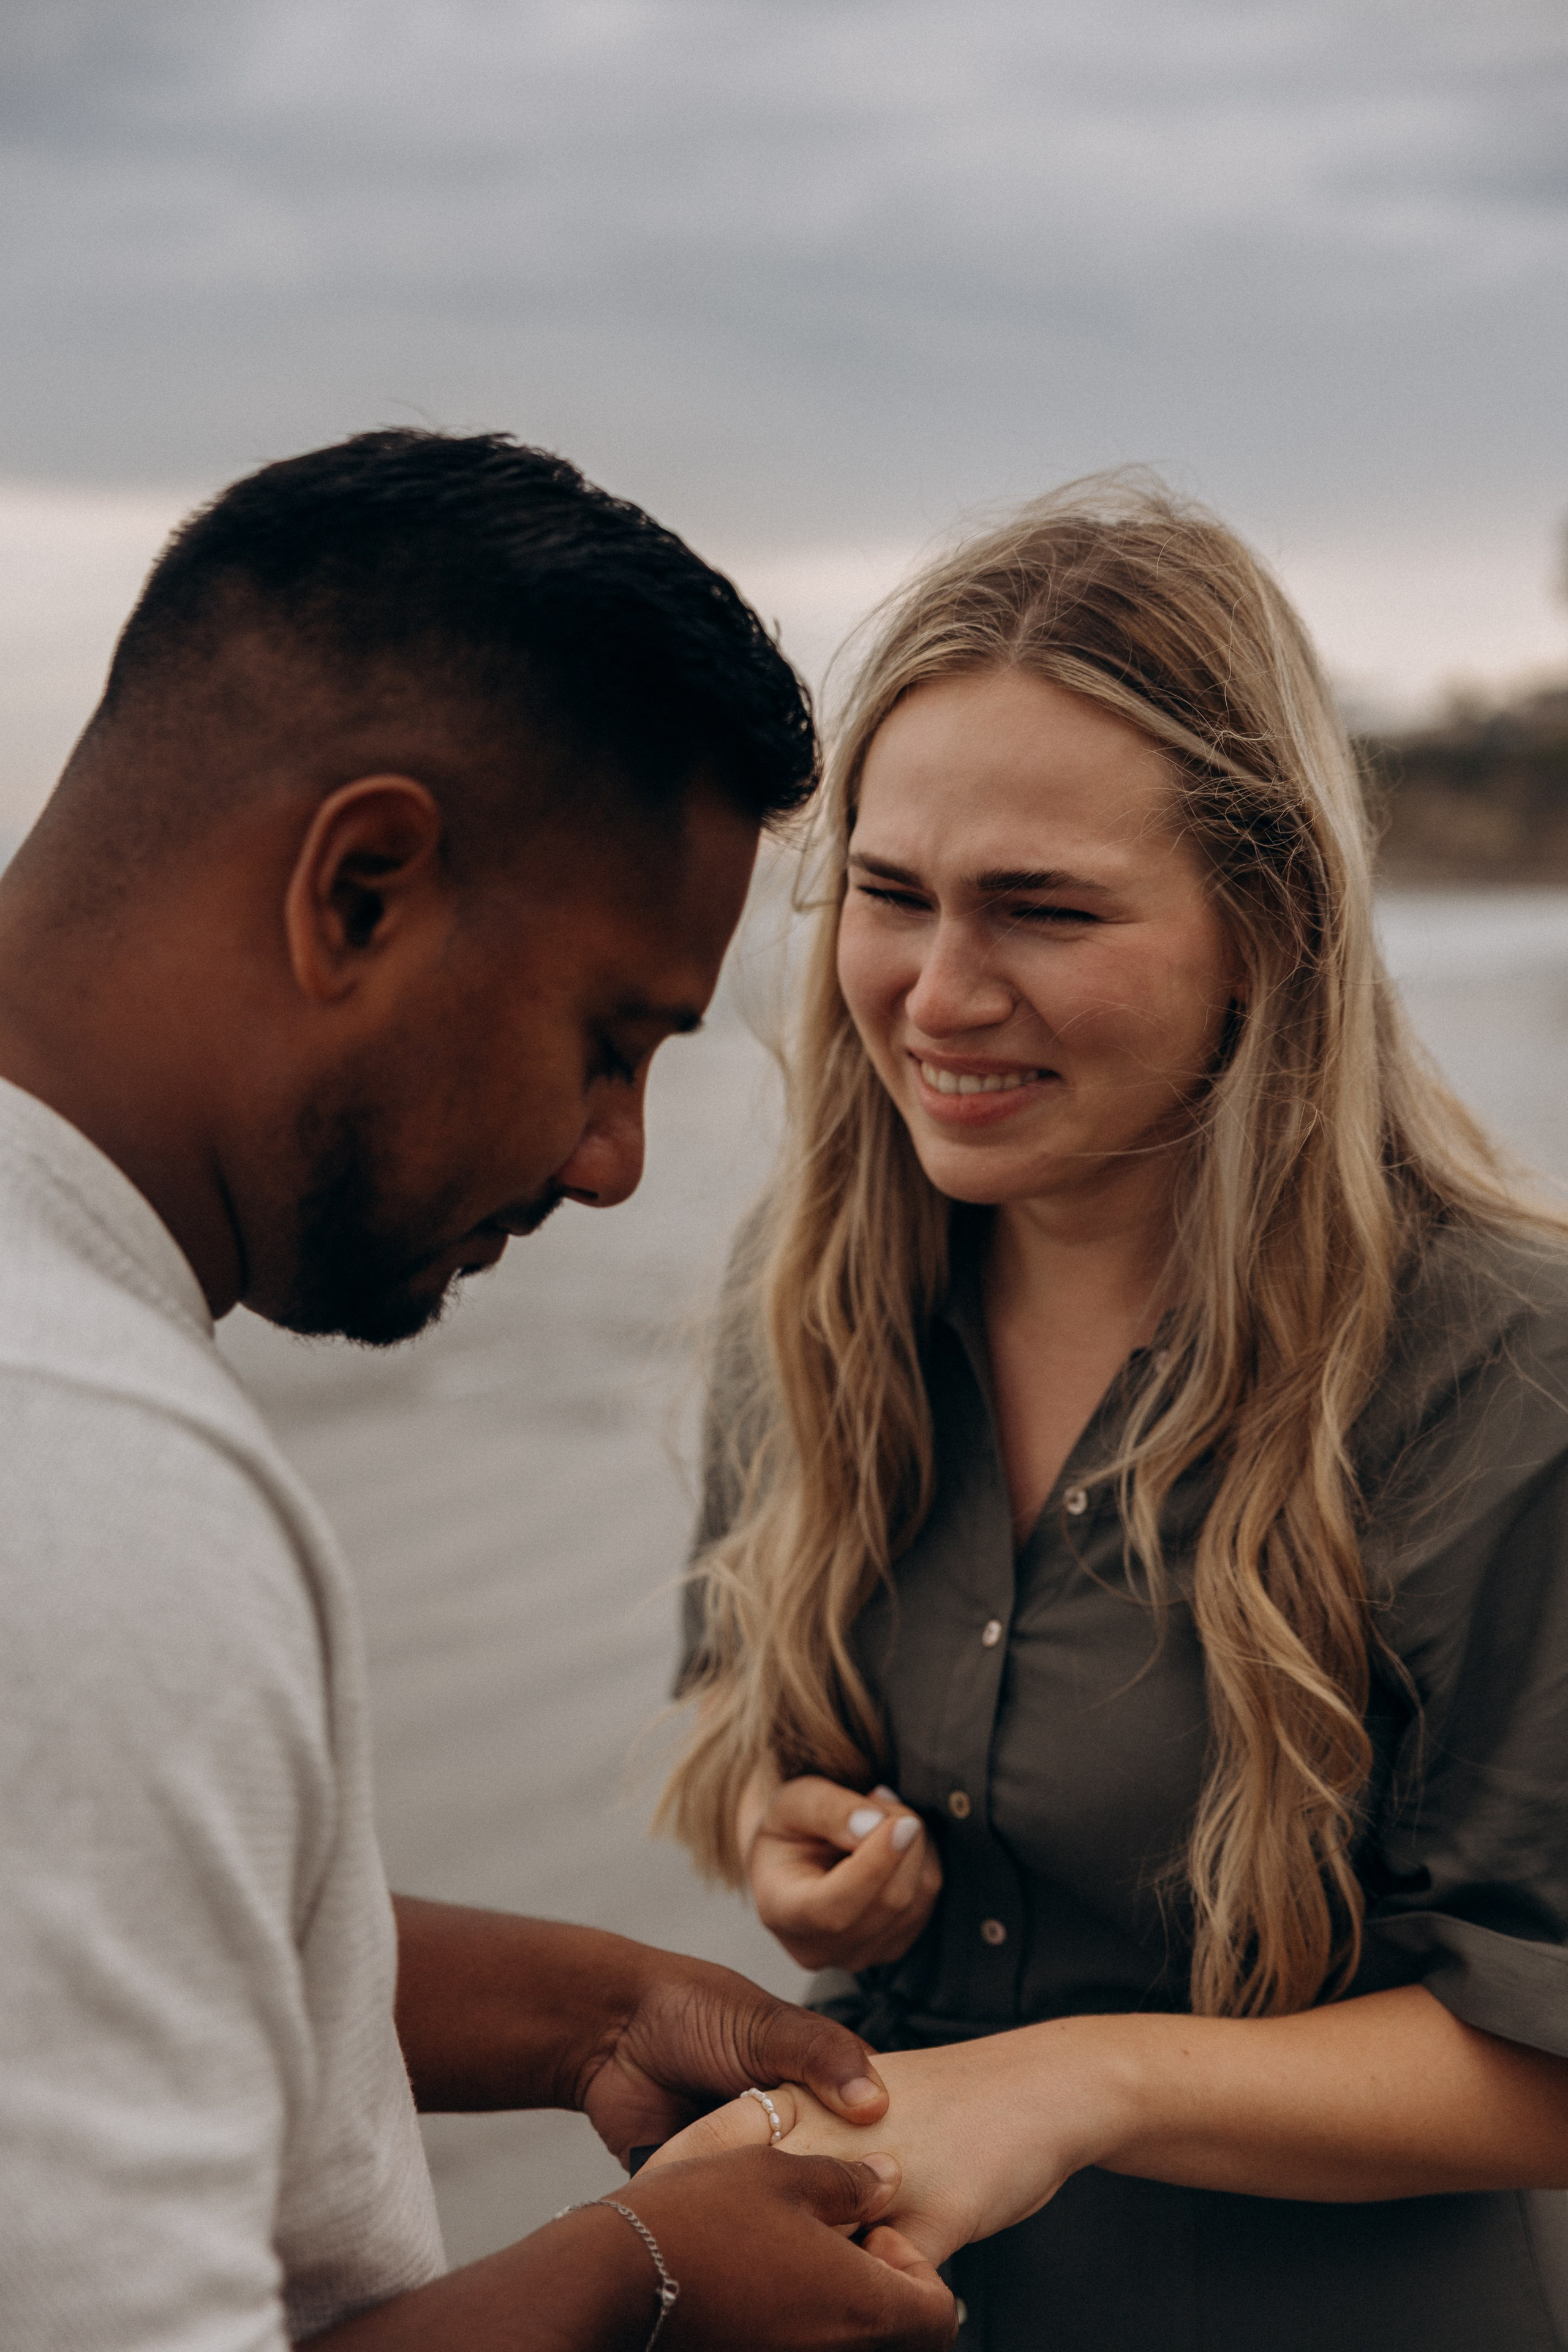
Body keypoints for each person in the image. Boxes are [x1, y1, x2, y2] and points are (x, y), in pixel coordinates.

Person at [0, 429, 956, 2352]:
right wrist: (647, 2276)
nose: (614, 1162)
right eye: (610, 1039)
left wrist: (594, 2012)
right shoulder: (100, 1484)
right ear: (360, 891)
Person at [658, 477, 1568, 2349]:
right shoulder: (806, 1294)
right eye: (891, 896)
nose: (940, 995)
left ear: (1271, 923)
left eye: (1044, 910)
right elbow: (745, 1732)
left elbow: (1546, 2050)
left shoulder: (1506, 1370)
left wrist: (1079, 2082)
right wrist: (783, 1841)